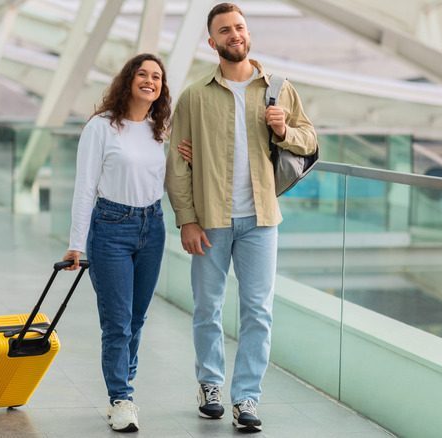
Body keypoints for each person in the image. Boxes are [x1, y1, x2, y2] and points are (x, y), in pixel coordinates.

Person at [165, 3, 318, 433]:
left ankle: (246, 396)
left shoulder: (279, 89)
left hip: (261, 220)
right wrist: (186, 220)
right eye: (224, 30)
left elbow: (310, 140)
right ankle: (210, 385)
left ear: (247, 34)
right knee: (207, 309)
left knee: (258, 311)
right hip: (211, 219)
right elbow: (178, 163)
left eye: (240, 27)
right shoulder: (195, 96)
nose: (235, 34)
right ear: (211, 42)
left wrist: (285, 130)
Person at [63, 53, 170, 433]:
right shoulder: (102, 127)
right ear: (128, 81)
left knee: (137, 319)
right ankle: (121, 398)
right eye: (142, 74)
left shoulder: (160, 129)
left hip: (153, 227)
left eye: (156, 77)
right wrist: (76, 244)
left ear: (161, 88)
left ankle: (126, 389)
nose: (150, 80)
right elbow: (84, 187)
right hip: (110, 227)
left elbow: (168, 175)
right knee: (117, 323)